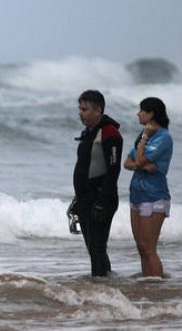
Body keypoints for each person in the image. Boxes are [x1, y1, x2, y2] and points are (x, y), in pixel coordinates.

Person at [71, 90, 123, 276]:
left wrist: (102, 201)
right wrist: (78, 198)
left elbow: (113, 170)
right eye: (80, 108)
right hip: (86, 198)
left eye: (84, 109)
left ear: (98, 110)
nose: (80, 113)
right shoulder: (89, 132)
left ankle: (102, 286)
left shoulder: (110, 132)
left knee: (97, 247)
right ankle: (104, 285)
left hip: (102, 199)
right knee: (93, 248)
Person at [123, 97, 173, 278]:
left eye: (142, 110)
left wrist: (144, 139)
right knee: (141, 248)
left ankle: (157, 287)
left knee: (149, 248)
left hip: (154, 196)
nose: (139, 113)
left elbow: (140, 159)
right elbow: (127, 163)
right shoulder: (143, 136)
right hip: (136, 195)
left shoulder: (163, 137)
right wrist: (141, 165)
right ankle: (147, 285)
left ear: (151, 113)